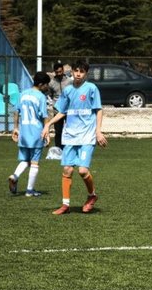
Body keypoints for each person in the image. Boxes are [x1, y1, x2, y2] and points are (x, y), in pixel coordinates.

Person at [41, 61, 108, 215]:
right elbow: (62, 111)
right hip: (70, 136)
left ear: (86, 74)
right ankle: (65, 205)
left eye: (81, 71)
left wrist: (98, 131)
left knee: (83, 171)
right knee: (67, 169)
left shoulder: (91, 88)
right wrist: (48, 125)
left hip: (87, 136)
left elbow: (98, 110)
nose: (78, 74)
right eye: (76, 71)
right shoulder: (68, 90)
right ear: (71, 72)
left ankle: (92, 196)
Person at [8, 72, 51, 197]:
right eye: (46, 84)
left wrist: (15, 128)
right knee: (35, 161)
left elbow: (16, 112)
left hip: (24, 132)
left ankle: (14, 176)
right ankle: (30, 190)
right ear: (41, 84)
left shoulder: (22, 94)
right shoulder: (41, 97)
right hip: (36, 132)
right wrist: (47, 133)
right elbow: (44, 116)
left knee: (25, 159)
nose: (47, 87)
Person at [47, 62, 71, 151]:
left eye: (60, 71)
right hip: (57, 110)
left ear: (63, 70)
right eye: (57, 72)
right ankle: (58, 149)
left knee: (69, 130)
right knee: (58, 131)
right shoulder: (51, 83)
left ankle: (69, 148)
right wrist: (53, 105)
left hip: (68, 110)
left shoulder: (69, 81)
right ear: (54, 72)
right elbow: (50, 95)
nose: (59, 74)